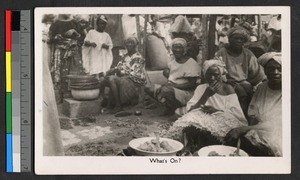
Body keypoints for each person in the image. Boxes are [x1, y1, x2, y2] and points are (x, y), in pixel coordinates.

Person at [167, 60, 247, 153]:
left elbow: (237, 115)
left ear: (221, 74)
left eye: (216, 74)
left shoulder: (227, 89)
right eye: (209, 74)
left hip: (221, 118)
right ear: (205, 74)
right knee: (189, 121)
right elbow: (190, 110)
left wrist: (217, 111)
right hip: (202, 117)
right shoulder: (201, 88)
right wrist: (206, 95)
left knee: (212, 133)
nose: (212, 78)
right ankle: (190, 149)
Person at [225, 52, 282, 156]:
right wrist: (247, 131)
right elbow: (252, 112)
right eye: (270, 69)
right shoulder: (262, 87)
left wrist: (244, 130)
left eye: (280, 69)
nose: (275, 72)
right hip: (259, 129)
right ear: (265, 71)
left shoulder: (290, 91)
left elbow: (277, 124)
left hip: (279, 134)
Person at [215, 26, 266, 117]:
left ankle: (248, 116)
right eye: (236, 38)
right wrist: (225, 79)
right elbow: (215, 69)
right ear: (230, 39)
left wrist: (253, 83)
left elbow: (256, 71)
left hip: (243, 82)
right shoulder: (222, 52)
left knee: (251, 91)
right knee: (242, 94)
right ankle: (238, 117)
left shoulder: (247, 53)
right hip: (226, 81)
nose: (239, 41)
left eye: (241, 39)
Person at [145, 38, 201, 115]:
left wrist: (174, 86)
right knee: (148, 87)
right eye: (175, 47)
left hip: (186, 93)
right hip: (172, 88)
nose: (177, 50)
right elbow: (171, 77)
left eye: (180, 47)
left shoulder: (191, 63)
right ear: (172, 49)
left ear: (184, 49)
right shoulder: (172, 61)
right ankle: (168, 105)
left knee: (165, 91)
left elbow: (192, 84)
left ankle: (173, 107)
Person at [101, 36, 146, 114]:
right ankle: (107, 101)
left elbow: (134, 74)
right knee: (103, 79)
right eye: (127, 43)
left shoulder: (138, 57)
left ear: (135, 45)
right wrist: (112, 70)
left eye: (132, 43)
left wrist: (119, 71)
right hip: (123, 79)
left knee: (112, 79)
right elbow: (119, 67)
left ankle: (118, 106)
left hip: (132, 82)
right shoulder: (125, 56)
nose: (129, 45)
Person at [48, 14, 84, 102]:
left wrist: (76, 33)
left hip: (73, 51)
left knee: (74, 72)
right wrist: (55, 38)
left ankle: (74, 95)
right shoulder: (55, 23)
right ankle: (61, 96)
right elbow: (49, 39)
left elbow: (83, 38)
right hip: (60, 52)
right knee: (60, 74)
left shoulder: (75, 23)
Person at [82, 15, 113, 79]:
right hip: (94, 56)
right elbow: (85, 43)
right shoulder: (91, 32)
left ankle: (101, 85)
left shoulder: (106, 35)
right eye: (101, 23)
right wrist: (90, 44)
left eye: (104, 24)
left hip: (102, 57)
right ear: (97, 24)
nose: (103, 25)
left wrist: (105, 46)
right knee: (94, 72)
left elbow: (110, 46)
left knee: (102, 73)